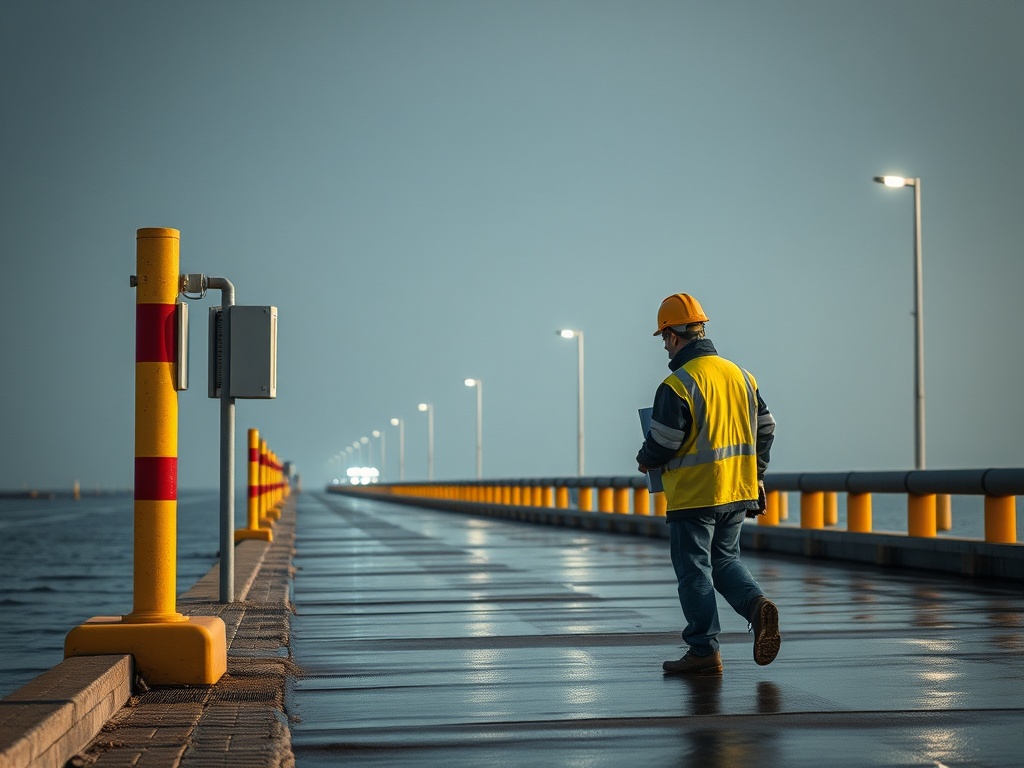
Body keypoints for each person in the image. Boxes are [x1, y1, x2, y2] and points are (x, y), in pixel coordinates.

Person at [636, 293, 779, 676]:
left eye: (664, 337)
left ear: (675, 334)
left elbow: (665, 441)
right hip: (738, 491)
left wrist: (645, 458)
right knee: (726, 561)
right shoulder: (741, 375)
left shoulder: (678, 383)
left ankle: (703, 650)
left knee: (694, 569)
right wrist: (757, 473)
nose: (665, 346)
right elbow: (766, 429)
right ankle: (756, 606)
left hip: (694, 496)